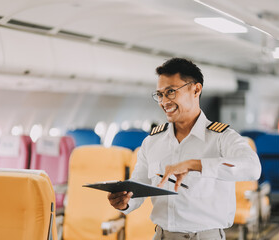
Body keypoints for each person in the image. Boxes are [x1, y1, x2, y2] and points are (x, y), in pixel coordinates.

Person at [108, 58, 261, 240]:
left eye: (171, 92)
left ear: (195, 89)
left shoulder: (222, 137)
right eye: (160, 94)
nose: (164, 101)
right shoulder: (152, 141)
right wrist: (124, 202)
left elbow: (252, 168)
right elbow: (139, 186)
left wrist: (195, 165)